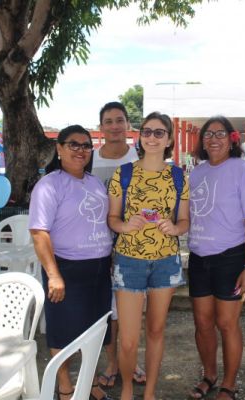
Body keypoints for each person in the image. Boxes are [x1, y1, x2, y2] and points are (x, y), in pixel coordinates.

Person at [108, 112, 189, 400]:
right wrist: (124, 225)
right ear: (140, 136)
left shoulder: (178, 176)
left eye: (159, 132)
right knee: (128, 339)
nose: (152, 137)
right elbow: (112, 219)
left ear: (169, 140)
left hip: (165, 262)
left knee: (156, 331)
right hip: (129, 260)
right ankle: (127, 391)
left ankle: (150, 393)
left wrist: (175, 228)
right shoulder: (123, 174)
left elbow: (184, 221)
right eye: (147, 131)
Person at [29, 125, 113, 400]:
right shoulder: (49, 185)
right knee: (63, 332)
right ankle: (65, 389)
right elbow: (39, 232)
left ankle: (90, 384)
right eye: (73, 144)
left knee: (95, 331)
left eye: (86, 145)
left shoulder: (95, 183)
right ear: (59, 148)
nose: (81, 150)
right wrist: (54, 275)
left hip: (99, 269)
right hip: (66, 269)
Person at [187, 116, 245, 400]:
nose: (213, 139)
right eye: (208, 134)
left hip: (231, 258)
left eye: (220, 134)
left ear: (232, 139)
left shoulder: (244, 171)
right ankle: (209, 375)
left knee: (227, 324)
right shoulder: (196, 173)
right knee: (202, 323)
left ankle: (229, 385)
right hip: (199, 257)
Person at [93, 101, 146, 389]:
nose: (114, 126)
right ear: (101, 127)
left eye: (119, 120)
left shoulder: (140, 157)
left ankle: (131, 360)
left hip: (133, 245)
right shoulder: (88, 159)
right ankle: (112, 362)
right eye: (108, 121)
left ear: (128, 125)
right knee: (106, 309)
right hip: (95, 245)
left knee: (130, 309)